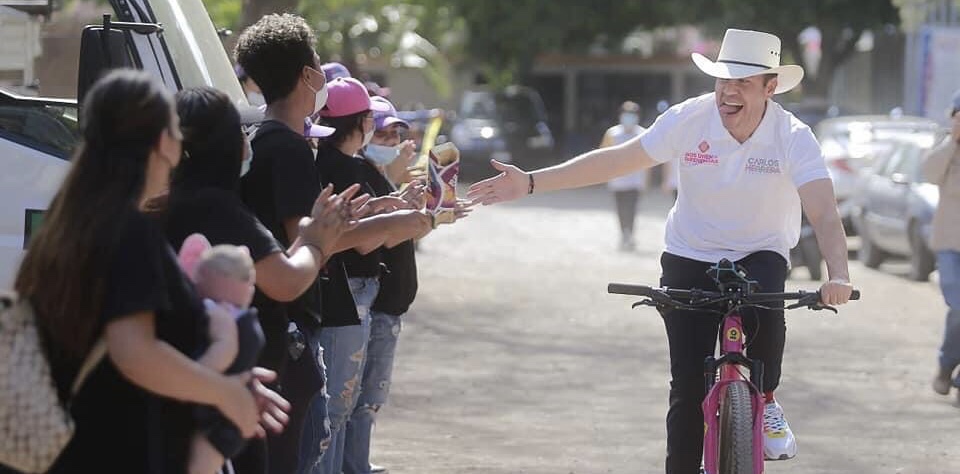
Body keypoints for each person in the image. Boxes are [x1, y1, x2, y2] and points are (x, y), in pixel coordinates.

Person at [468, 28, 854, 473]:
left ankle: (765, 398)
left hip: (759, 251)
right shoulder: (689, 118)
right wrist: (532, 181)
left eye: (743, 83)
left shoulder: (793, 136)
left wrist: (838, 275)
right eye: (722, 81)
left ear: (770, 87)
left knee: (768, 309)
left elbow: (824, 213)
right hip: (689, 253)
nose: (728, 93)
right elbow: (617, 160)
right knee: (688, 387)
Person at [14, 69, 275, 473]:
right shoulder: (126, 230)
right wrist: (224, 393)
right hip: (120, 452)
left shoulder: (75, 223)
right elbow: (135, 352)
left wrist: (229, 378)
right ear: (161, 144)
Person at [165, 85, 355, 474]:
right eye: (239, 132)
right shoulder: (218, 208)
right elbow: (284, 281)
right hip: (223, 395)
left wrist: (309, 236)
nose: (247, 142)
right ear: (223, 145)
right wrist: (318, 243)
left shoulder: (170, 201)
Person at [314, 76, 432, 474]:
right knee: (338, 402)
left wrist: (398, 209)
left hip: (360, 291)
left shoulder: (340, 164)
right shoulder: (342, 168)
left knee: (345, 402)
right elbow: (363, 242)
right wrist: (407, 217)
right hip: (349, 292)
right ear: (363, 123)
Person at [342, 96, 426, 474]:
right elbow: (374, 239)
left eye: (397, 132)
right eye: (383, 130)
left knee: (369, 396)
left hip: (387, 303)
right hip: (370, 303)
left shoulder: (378, 176)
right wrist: (425, 219)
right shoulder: (356, 174)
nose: (392, 139)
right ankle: (353, 466)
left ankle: (358, 462)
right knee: (355, 398)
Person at [925, 89, 960, 399]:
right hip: (950, 243)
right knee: (959, 308)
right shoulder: (946, 146)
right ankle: (946, 365)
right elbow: (928, 172)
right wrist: (953, 140)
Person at [601, 101, 647, 251]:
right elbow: (603, 153)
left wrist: (646, 180)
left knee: (632, 208)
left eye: (632, 115)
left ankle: (630, 234)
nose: (629, 117)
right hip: (617, 180)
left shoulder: (643, 133)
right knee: (620, 209)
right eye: (627, 114)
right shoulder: (612, 133)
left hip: (635, 180)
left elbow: (649, 159)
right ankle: (623, 233)